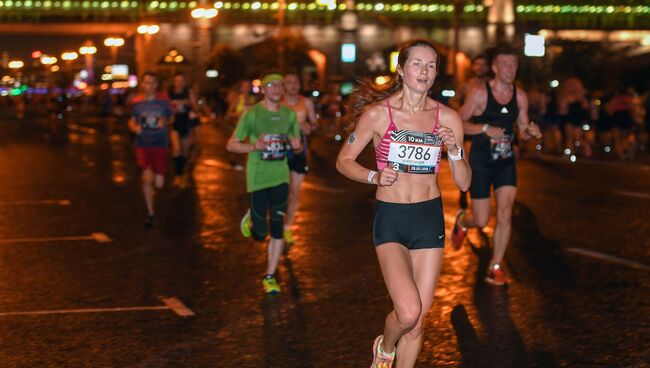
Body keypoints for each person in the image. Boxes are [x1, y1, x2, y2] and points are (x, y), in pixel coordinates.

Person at [337, 39, 471, 368]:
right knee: (408, 312)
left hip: (429, 218)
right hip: (392, 219)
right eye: (417, 64)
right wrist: (373, 177)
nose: (424, 71)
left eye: (431, 65)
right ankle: (386, 344)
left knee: (419, 321)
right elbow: (344, 161)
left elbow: (465, 182)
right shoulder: (377, 115)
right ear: (401, 69)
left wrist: (453, 150)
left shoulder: (449, 119)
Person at [453, 47, 542, 285]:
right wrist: (483, 128)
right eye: (505, 65)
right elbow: (458, 122)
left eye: (513, 65)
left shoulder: (519, 96)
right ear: (494, 68)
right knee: (481, 221)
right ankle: (464, 221)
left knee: (504, 213)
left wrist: (530, 132)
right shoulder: (480, 93)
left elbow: (522, 133)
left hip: (505, 162)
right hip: (481, 162)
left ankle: (495, 266)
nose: (510, 69)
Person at [226, 73, 301, 295]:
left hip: (280, 177)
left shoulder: (290, 115)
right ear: (263, 90)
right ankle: (253, 219)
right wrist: (253, 146)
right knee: (260, 234)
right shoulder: (252, 114)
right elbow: (231, 145)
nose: (276, 88)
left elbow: (295, 145)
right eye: (271, 85)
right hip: (257, 178)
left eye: (279, 85)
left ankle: (269, 276)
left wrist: (296, 146)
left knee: (277, 229)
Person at [128, 72, 174, 227]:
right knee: (147, 178)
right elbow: (132, 120)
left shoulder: (163, 100)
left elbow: (171, 117)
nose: (150, 86)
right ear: (142, 84)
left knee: (159, 183)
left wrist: (164, 121)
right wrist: (134, 128)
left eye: (153, 83)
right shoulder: (136, 102)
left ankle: (153, 187)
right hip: (142, 144)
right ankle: (150, 212)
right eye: (146, 83)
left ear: (156, 85)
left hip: (160, 144)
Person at [281, 72, 318, 244]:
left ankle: (287, 227)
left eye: (295, 82)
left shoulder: (306, 102)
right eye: (289, 82)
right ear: (283, 85)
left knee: (295, 192)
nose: (293, 85)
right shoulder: (277, 103)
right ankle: (275, 221)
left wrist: (309, 126)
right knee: (280, 191)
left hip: (299, 151)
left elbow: (314, 123)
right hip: (279, 150)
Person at [450, 54, 489, 209]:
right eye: (477, 64)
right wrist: (463, 111)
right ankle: (464, 193)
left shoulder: (491, 84)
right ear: (473, 67)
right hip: (467, 128)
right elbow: (453, 100)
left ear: (488, 67)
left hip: (484, 129)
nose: (479, 67)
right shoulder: (467, 85)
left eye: (483, 64)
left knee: (483, 164)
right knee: (468, 161)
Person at [168, 73, 200, 188]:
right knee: (176, 150)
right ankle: (178, 175)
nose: (179, 83)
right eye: (177, 80)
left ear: (184, 82)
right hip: (174, 123)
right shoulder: (170, 92)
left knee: (184, 152)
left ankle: (184, 172)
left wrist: (187, 103)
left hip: (186, 123)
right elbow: (166, 106)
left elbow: (196, 107)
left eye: (181, 80)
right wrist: (172, 105)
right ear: (174, 82)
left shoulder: (188, 92)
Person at [557, 77, 591, 157]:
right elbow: (586, 108)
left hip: (571, 118)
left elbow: (562, 110)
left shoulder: (568, 97)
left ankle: (572, 152)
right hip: (574, 119)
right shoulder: (580, 97)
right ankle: (573, 152)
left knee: (573, 138)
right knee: (574, 138)